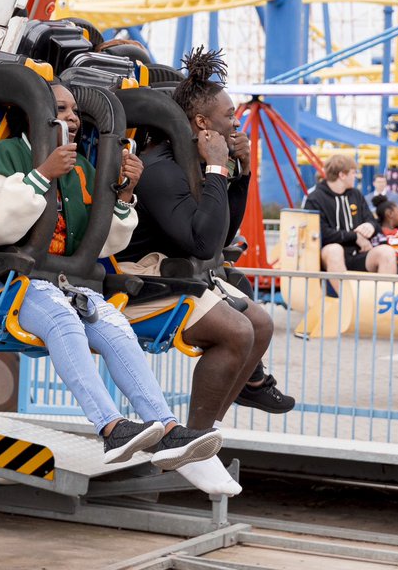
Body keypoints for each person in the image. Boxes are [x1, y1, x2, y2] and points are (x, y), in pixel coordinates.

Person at [0, 81, 235, 494]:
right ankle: (110, 426)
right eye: (61, 108)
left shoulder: (83, 169)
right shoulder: (3, 154)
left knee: (112, 323)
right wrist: (41, 176)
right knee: (61, 316)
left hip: (65, 280)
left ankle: (166, 427)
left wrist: (124, 194)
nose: (72, 118)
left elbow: (101, 241)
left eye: (75, 111)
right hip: (9, 281)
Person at [116, 48, 294, 432]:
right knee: (236, 331)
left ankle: (212, 424)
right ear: (201, 123)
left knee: (261, 324)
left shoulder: (194, 161)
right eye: (230, 116)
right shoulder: (161, 169)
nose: (236, 123)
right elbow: (202, 243)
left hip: (176, 267)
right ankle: (196, 437)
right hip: (135, 274)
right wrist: (217, 167)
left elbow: (220, 237)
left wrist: (239, 175)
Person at [304, 154, 398, 275]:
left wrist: (370, 226)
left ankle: (384, 293)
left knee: (387, 252)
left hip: (358, 253)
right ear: (342, 175)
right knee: (334, 250)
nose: (356, 176)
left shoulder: (356, 195)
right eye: (353, 173)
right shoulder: (315, 198)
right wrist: (355, 236)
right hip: (328, 257)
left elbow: (372, 221)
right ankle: (347, 294)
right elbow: (323, 233)